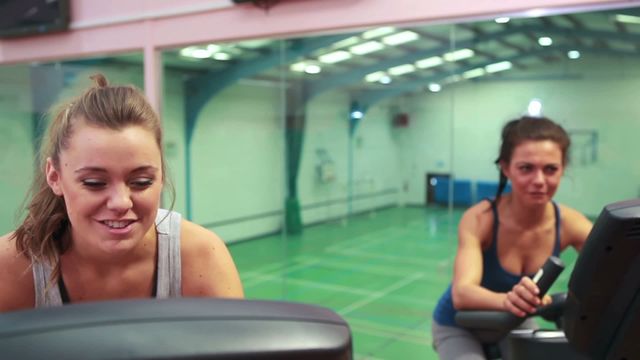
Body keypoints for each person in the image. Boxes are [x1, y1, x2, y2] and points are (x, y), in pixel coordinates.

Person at [0, 74, 243, 312]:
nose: (120, 202)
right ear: (54, 177)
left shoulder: (200, 256)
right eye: (94, 182)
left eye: (141, 181)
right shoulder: (12, 267)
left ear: (161, 177)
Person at [431, 116, 593, 359]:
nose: (539, 181)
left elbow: (616, 269)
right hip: (458, 326)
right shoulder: (480, 219)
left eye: (550, 169)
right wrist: (510, 300)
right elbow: (462, 293)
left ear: (563, 169)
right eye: (526, 168)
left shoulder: (570, 223)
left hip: (514, 322)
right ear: (506, 168)